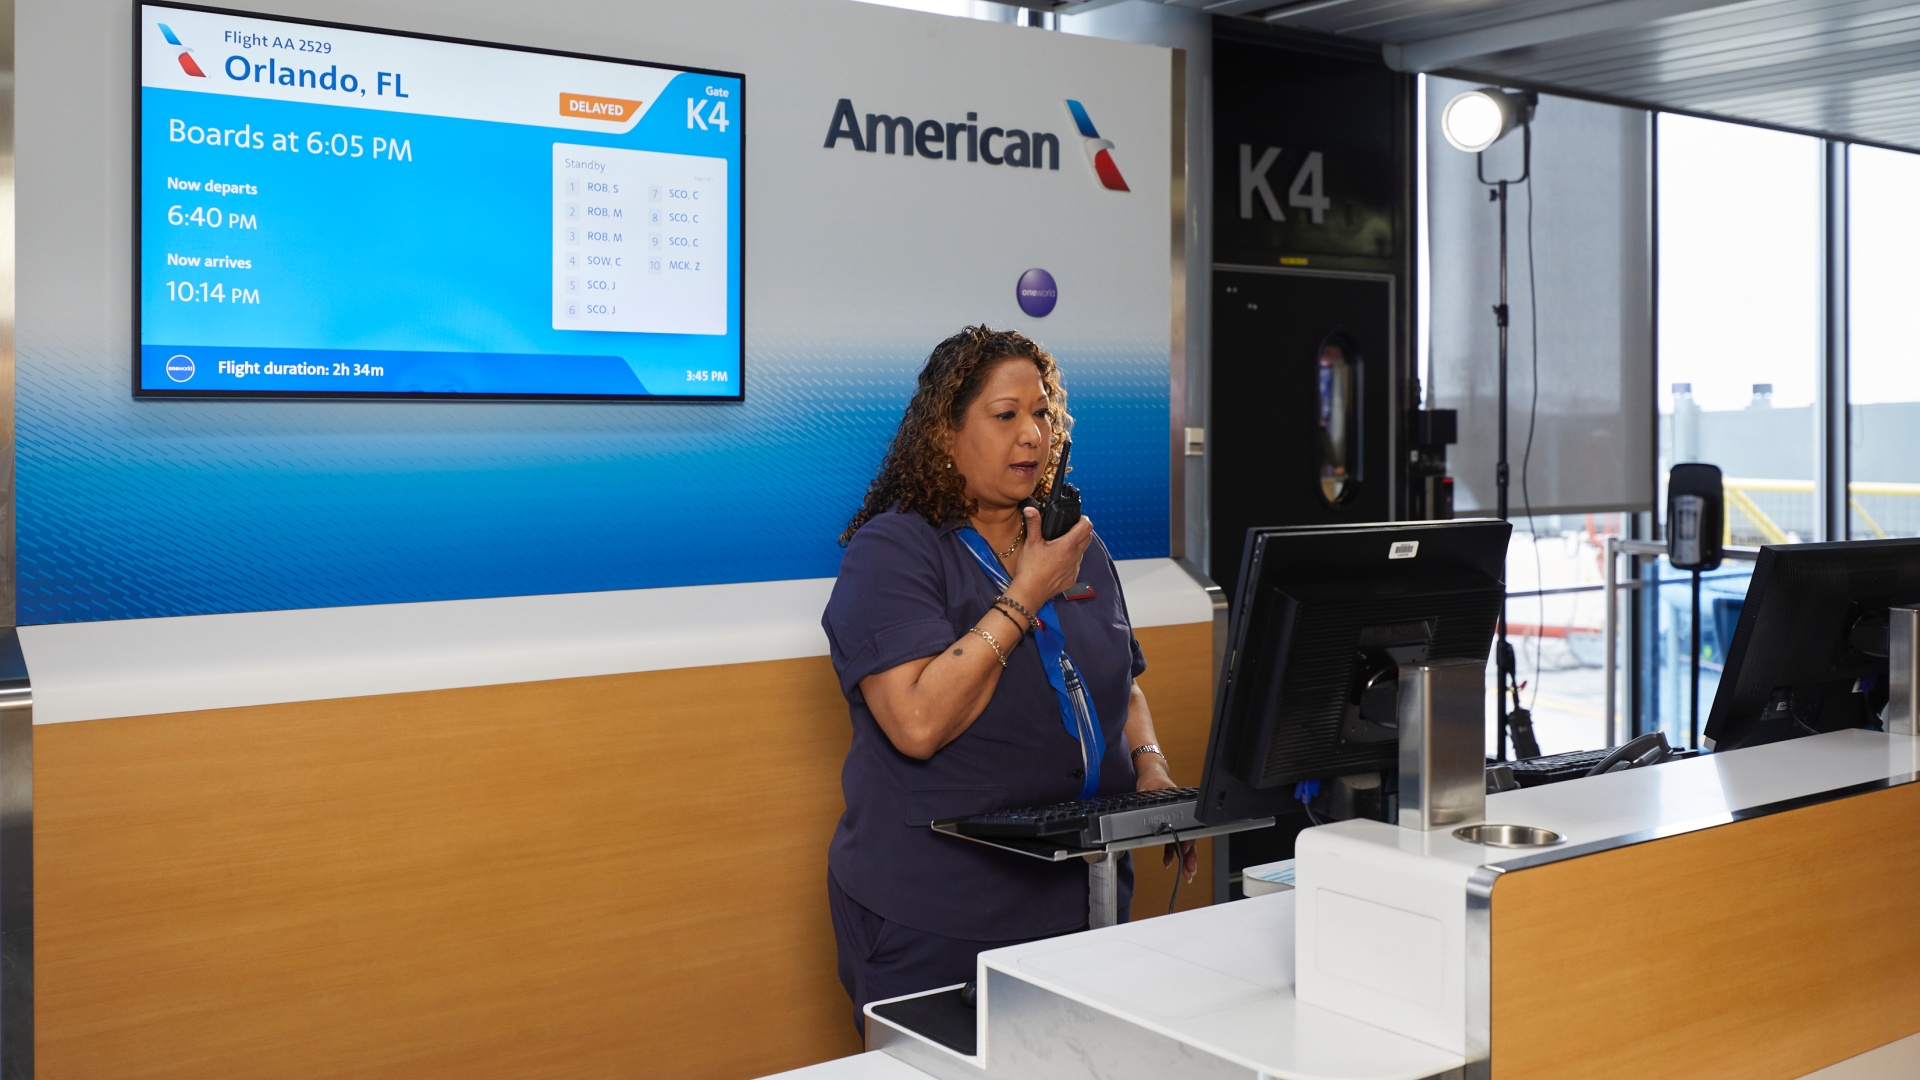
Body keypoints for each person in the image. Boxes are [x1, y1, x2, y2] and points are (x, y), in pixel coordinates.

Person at [821, 325, 1196, 1031]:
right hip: (940, 915)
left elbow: (1119, 684)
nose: (1032, 434)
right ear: (944, 435)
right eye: (1006, 415)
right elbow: (918, 723)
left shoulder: (1076, 545)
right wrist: (1025, 596)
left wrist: (1150, 767)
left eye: (1043, 413)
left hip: (1084, 897)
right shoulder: (894, 550)